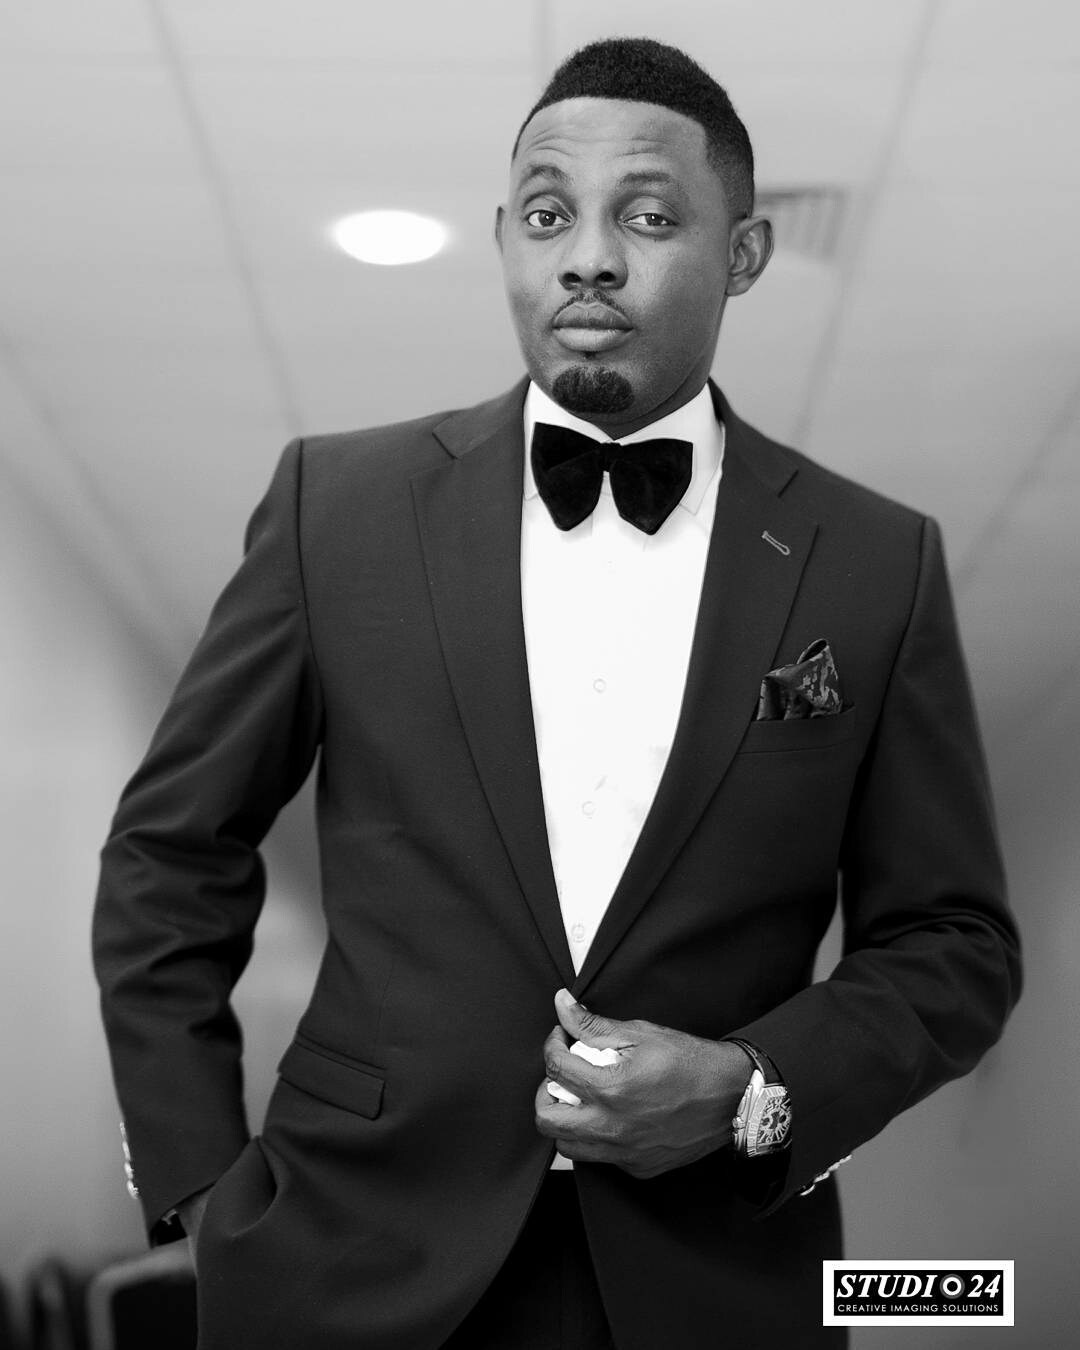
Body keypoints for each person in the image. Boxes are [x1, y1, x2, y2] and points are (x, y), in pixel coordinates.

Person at [92, 36, 1021, 1350]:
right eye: (546, 214)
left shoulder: (876, 564)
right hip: (344, 1267)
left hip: (713, 1286)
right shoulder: (334, 509)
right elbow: (170, 852)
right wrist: (199, 1190)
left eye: (647, 216)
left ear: (745, 254)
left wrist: (751, 1087)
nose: (587, 257)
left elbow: (954, 944)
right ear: (504, 243)